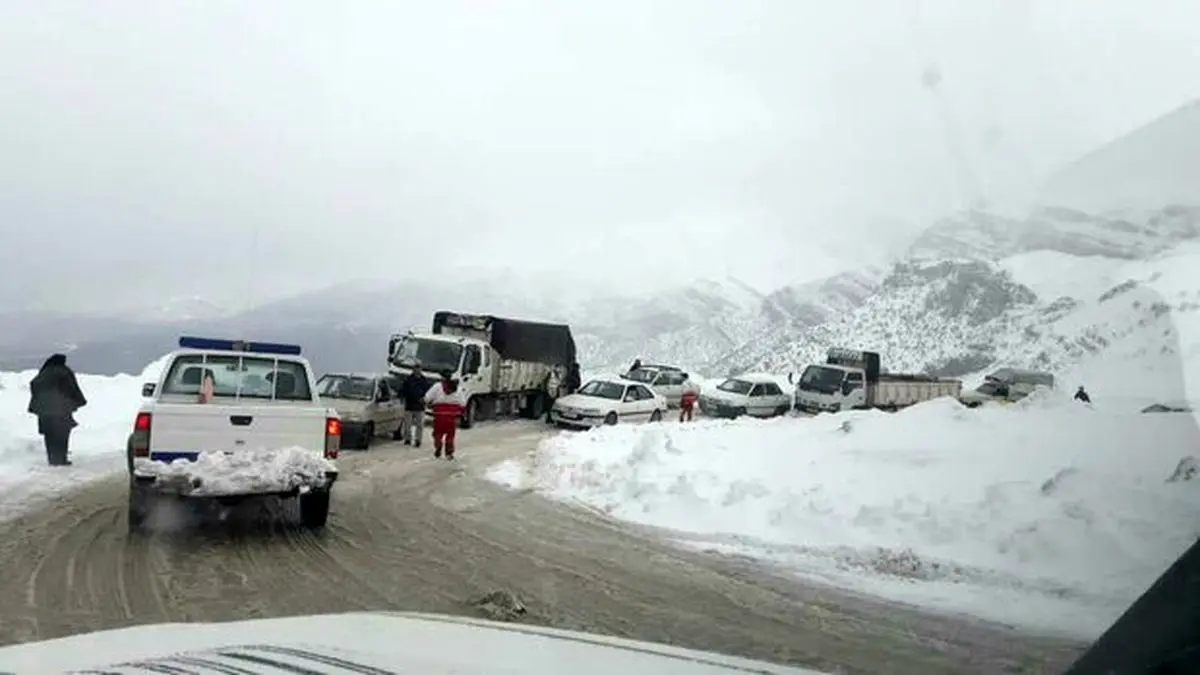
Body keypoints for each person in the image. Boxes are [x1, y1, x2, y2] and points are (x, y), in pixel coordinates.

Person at [26, 353, 88, 467]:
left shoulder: (44, 372)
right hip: (61, 410)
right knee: (62, 434)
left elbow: (34, 384)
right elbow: (72, 387)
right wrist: (78, 401)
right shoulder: (64, 371)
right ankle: (62, 458)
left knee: (49, 435)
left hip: (44, 412)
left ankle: (52, 459)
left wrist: (40, 401)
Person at [424, 371, 466, 459]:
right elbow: (463, 403)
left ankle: (438, 446)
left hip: (439, 414)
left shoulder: (437, 386)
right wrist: (461, 412)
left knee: (437, 433)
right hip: (452, 415)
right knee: (450, 434)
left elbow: (427, 398)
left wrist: (428, 403)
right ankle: (449, 452)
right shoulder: (458, 388)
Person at [398, 366, 430, 447]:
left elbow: (428, 392)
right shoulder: (408, 379)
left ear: (421, 370)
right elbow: (403, 390)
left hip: (420, 406)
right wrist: (402, 398)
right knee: (407, 425)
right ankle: (407, 439)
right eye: (416, 369)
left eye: (419, 368)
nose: (417, 370)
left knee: (420, 425)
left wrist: (425, 399)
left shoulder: (424, 380)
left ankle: (418, 440)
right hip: (409, 405)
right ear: (413, 370)